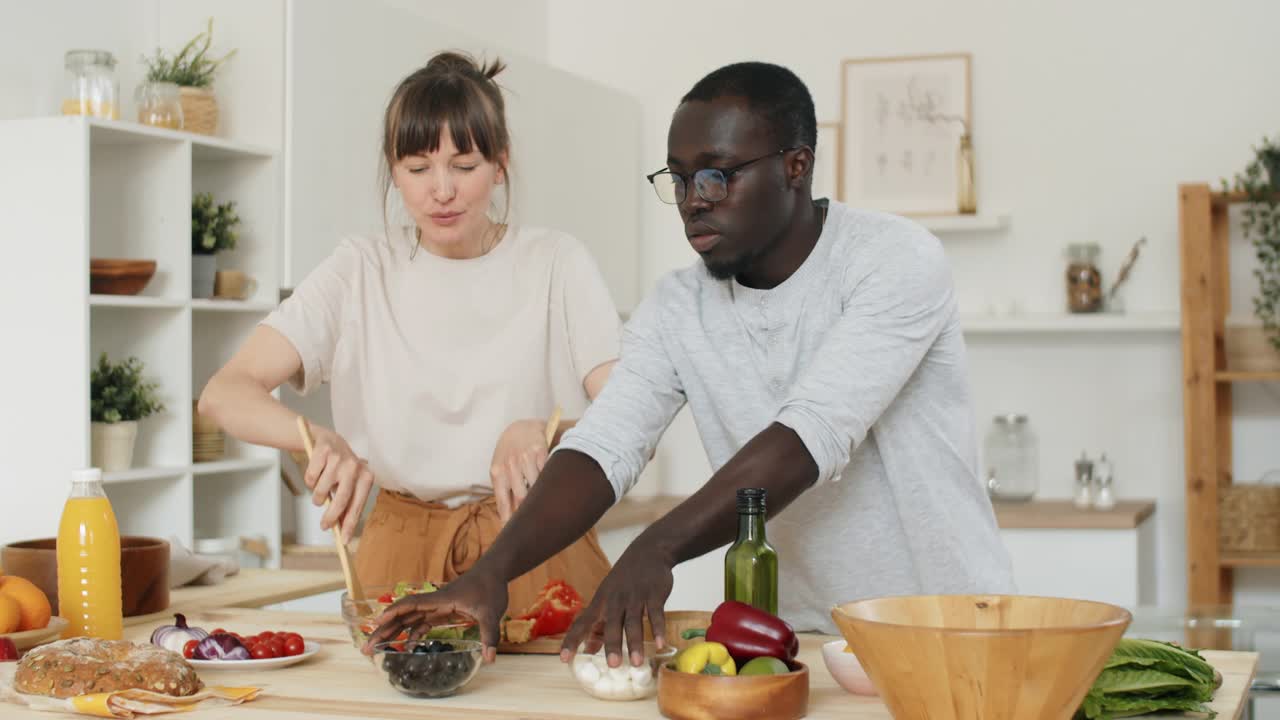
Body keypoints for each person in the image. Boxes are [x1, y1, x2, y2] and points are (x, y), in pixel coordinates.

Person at [364, 60, 1015, 667]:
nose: (693, 200)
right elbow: (604, 444)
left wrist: (656, 546)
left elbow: (809, 434)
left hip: (948, 628)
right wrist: (488, 575)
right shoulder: (676, 308)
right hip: (798, 636)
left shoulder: (895, 261)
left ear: (796, 166)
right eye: (678, 179)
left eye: (716, 175)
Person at [197, 51, 620, 614]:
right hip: (396, 548)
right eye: (418, 169)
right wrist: (312, 435)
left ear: (500, 164)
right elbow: (225, 392)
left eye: (464, 166)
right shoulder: (359, 268)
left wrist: (548, 430)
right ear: (394, 171)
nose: (440, 191)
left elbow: (630, 410)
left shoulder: (557, 263)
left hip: (537, 539)